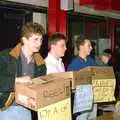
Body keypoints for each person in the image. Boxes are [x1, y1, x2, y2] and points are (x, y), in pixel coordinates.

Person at [0, 22, 46, 120]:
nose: (39, 43)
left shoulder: (40, 63)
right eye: (35, 39)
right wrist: (17, 80)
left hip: (26, 110)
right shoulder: (6, 56)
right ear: (24, 39)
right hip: (6, 109)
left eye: (41, 39)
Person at [67, 35, 97, 120]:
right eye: (89, 46)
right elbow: (71, 87)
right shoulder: (74, 65)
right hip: (82, 104)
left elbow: (100, 75)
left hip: (94, 101)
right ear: (81, 46)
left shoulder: (92, 61)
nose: (91, 48)